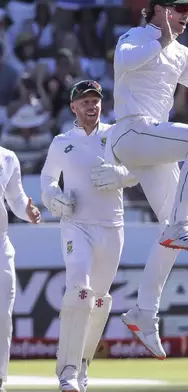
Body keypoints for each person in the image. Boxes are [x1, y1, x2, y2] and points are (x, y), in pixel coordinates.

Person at [107, 0, 188, 359]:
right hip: (130, 133)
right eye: (178, 9)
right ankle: (179, 224)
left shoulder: (179, 52)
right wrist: (159, 33)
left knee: (172, 233)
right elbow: (128, 63)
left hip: (154, 145)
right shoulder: (133, 38)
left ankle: (144, 313)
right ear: (158, 8)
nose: (184, 16)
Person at [40, 80, 138, 392]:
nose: (91, 106)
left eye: (95, 100)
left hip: (111, 227)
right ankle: (67, 372)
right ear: (73, 107)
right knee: (78, 291)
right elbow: (47, 180)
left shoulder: (114, 135)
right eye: (84, 101)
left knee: (97, 301)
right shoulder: (61, 142)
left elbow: (140, 170)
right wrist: (53, 199)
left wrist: (121, 175)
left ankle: (82, 365)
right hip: (76, 224)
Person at [0, 158, 41, 392]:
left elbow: (15, 199)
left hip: (0, 244)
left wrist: (28, 210)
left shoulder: (6, 157)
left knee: (3, 315)